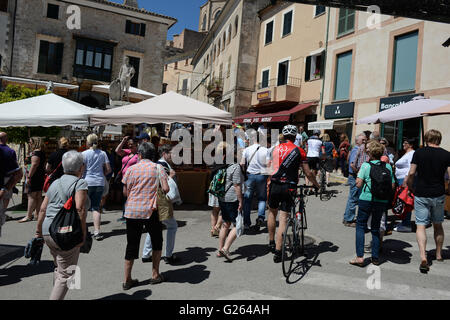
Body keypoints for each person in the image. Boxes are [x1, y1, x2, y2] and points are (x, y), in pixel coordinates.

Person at [34, 151, 88, 300]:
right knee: (66, 275)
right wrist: (82, 234)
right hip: (65, 232)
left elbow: (43, 209)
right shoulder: (80, 183)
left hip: (48, 231)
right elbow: (80, 209)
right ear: (81, 167)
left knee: (59, 268)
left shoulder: (55, 182)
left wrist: (38, 232)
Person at [267, 125, 320, 263]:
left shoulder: (275, 149)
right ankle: (278, 252)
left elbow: (269, 168)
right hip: (289, 186)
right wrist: (316, 185)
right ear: (296, 136)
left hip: (274, 184)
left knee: (272, 213)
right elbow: (308, 173)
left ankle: (271, 242)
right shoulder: (299, 151)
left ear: (283, 136)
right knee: (283, 218)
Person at [122, 142, 168, 289]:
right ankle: (155, 274)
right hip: (151, 210)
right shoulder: (158, 167)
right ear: (152, 155)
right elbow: (166, 188)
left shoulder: (131, 169)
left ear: (140, 155)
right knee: (157, 241)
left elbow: (125, 192)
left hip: (132, 211)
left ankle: (127, 279)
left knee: (132, 244)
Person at [405, 129, 450, 273]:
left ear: (426, 139)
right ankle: (438, 254)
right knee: (438, 224)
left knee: (421, 225)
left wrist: (410, 186)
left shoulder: (419, 153)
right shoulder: (446, 154)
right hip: (438, 193)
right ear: (439, 139)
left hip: (422, 192)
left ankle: (424, 257)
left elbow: (411, 173)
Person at [350, 140, 395, 267]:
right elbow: (391, 185)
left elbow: (358, 183)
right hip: (381, 200)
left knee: (360, 226)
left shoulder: (366, 165)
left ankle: (360, 257)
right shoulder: (387, 167)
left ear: (370, 153)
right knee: (375, 228)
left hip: (366, 199)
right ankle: (375, 258)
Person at [142, 144, 179, 264]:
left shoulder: (158, 164)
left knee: (154, 227)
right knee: (172, 226)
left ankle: (146, 254)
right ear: (164, 153)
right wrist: (170, 177)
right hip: (161, 199)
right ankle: (168, 255)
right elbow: (164, 184)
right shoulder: (162, 165)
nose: (172, 156)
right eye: (171, 153)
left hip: (153, 199)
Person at [215, 141, 243, 262]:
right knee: (237, 225)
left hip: (222, 197)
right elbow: (237, 185)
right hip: (232, 199)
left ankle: (220, 249)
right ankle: (226, 248)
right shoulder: (235, 167)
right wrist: (241, 200)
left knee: (225, 224)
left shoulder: (220, 164)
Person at [82, 134, 111, 240]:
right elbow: (108, 169)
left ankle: (82, 231)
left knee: (83, 207)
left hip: (87, 182)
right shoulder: (103, 153)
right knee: (96, 207)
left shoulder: (84, 154)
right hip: (99, 182)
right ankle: (97, 231)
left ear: (88, 142)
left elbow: (81, 169)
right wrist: (102, 174)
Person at [240, 133, 269, 231]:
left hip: (250, 176)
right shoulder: (266, 150)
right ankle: (261, 217)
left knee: (247, 200)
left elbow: (242, 163)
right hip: (262, 175)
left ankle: (247, 223)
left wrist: (244, 173)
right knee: (262, 199)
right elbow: (269, 164)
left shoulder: (247, 150)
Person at [0, 132, 23, 236]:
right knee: (4, 201)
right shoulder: (10, 151)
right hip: (6, 180)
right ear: (6, 139)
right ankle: (2, 213)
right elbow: (17, 172)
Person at [20, 137, 46, 223]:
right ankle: (37, 214)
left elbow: (34, 164)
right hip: (40, 176)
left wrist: (29, 177)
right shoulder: (41, 152)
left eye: (30, 142)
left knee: (31, 196)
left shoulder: (36, 153)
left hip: (34, 177)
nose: (29, 144)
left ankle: (29, 215)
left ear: (35, 143)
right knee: (38, 195)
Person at [343, 133, 367, 227]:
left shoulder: (359, 149)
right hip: (354, 176)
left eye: (365, 139)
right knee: (353, 198)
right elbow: (352, 164)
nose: (365, 141)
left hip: (354, 176)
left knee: (353, 198)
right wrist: (359, 173)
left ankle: (347, 217)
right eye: (363, 140)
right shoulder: (356, 149)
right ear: (357, 141)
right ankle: (348, 219)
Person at [393, 138, 416, 232]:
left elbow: (410, 167)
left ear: (410, 145)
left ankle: (406, 224)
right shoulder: (406, 153)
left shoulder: (412, 153)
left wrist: (406, 180)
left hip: (404, 179)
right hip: (400, 179)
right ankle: (404, 222)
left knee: (405, 201)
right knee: (401, 201)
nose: (403, 144)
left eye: (405, 143)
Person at [115, 136, 139, 221]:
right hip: (124, 178)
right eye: (128, 144)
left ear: (136, 145)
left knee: (130, 197)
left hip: (132, 180)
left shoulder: (138, 155)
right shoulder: (127, 152)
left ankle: (130, 215)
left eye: (132, 144)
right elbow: (117, 151)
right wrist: (123, 141)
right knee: (124, 197)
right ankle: (125, 215)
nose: (130, 146)